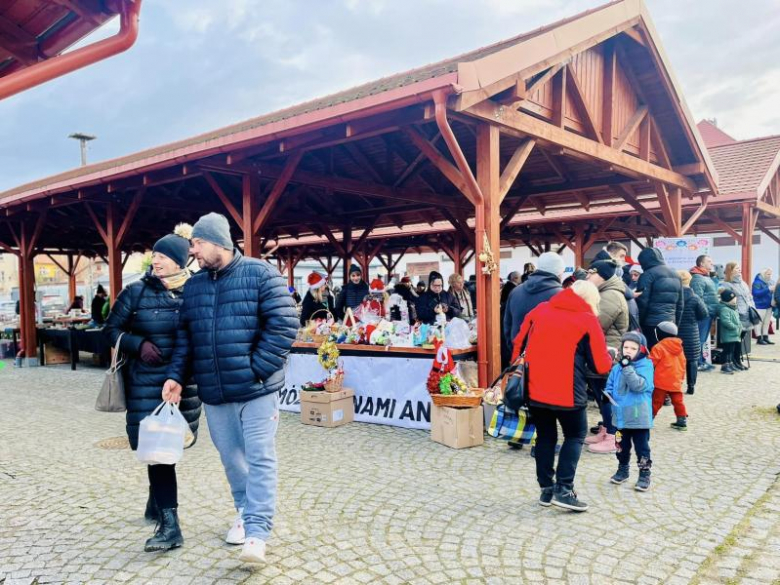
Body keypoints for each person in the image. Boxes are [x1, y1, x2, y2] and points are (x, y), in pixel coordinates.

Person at [163, 212, 298, 564]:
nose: (191, 251)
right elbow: (186, 339)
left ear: (215, 242)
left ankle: (257, 533)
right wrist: (177, 376)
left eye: (196, 244)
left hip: (257, 390)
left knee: (260, 457)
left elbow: (284, 324)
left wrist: (258, 369)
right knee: (232, 459)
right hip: (215, 392)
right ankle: (243, 510)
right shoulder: (194, 286)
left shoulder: (261, 273)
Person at [103, 225, 202, 552]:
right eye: (154, 255)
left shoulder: (195, 291)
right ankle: (170, 525)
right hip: (145, 383)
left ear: (178, 261)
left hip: (182, 385)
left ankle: (156, 502)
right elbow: (110, 329)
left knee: (163, 451)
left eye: (162, 256)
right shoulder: (136, 292)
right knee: (159, 451)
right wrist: (136, 343)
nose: (155, 261)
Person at [512, 280, 613, 512]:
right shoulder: (587, 320)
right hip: (568, 392)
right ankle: (564, 490)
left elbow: (517, 344)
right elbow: (600, 365)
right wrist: (611, 356)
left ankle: (546, 489)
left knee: (546, 437)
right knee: (575, 435)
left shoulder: (540, 310)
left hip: (536, 388)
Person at [583, 260, 629, 455]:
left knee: (610, 398)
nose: (587, 277)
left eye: (590, 274)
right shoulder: (604, 293)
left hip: (608, 355)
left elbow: (595, 324)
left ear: (601, 275)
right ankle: (606, 431)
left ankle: (614, 438)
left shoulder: (610, 296)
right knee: (603, 398)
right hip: (601, 354)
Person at [605, 331, 654, 491]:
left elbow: (639, 385)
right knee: (621, 445)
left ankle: (644, 473)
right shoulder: (618, 367)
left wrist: (627, 368)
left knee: (642, 448)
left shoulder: (645, 366)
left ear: (641, 350)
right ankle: (622, 468)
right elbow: (610, 383)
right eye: (626, 347)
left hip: (638, 417)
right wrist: (607, 394)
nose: (628, 351)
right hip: (620, 417)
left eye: (633, 348)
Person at [503, 252, 564, 348]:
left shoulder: (515, 292)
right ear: (560, 272)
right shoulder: (562, 296)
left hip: (520, 357)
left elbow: (507, 326)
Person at [636, 248, 684, 348]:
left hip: (651, 323)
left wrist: (639, 323)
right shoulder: (676, 274)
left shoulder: (647, 275)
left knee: (653, 353)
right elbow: (680, 304)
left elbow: (642, 302)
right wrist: (676, 323)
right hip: (670, 322)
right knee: (667, 353)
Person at [649, 322, 688, 431]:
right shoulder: (679, 348)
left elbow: (651, 363)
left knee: (656, 402)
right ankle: (682, 421)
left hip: (661, 381)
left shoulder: (659, 347)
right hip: (675, 380)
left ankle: (648, 420)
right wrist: (681, 378)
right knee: (678, 401)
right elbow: (683, 363)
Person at [676, 270, 708, 395]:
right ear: (690, 281)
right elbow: (704, 313)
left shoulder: (674, 297)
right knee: (692, 360)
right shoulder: (695, 298)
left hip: (676, 332)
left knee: (676, 360)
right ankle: (691, 386)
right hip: (691, 333)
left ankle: (676, 385)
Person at [719, 261, 754, 368]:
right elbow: (726, 299)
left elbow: (749, 296)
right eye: (736, 268)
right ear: (730, 271)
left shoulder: (743, 283)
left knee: (741, 338)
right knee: (734, 339)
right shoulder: (726, 284)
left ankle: (737, 360)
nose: (739, 270)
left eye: (739, 268)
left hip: (747, 313)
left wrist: (752, 307)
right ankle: (733, 360)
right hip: (736, 314)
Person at [690, 255, 719, 371]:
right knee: (700, 339)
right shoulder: (697, 278)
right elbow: (698, 298)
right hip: (703, 315)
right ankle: (698, 363)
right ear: (701, 264)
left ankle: (701, 361)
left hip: (709, 313)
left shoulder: (706, 277)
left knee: (702, 339)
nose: (712, 263)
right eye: (709, 261)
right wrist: (705, 312)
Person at [717, 290, 742, 375]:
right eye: (734, 298)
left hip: (734, 334)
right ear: (728, 299)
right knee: (727, 350)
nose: (735, 299)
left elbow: (738, 320)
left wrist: (740, 327)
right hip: (728, 334)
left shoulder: (733, 308)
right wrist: (735, 327)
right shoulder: (725, 309)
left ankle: (730, 363)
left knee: (731, 350)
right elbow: (725, 321)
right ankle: (725, 365)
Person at [751, 268, 775, 345]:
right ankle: (758, 338)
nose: (770, 276)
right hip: (760, 305)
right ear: (763, 274)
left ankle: (765, 336)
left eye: (771, 274)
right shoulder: (757, 282)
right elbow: (756, 293)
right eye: (768, 274)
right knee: (759, 323)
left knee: (767, 322)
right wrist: (768, 289)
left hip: (769, 305)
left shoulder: (771, 282)